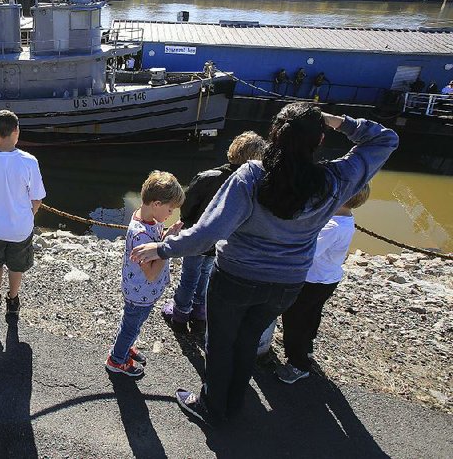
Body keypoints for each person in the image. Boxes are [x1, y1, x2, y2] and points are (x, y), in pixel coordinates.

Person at [131, 103, 398, 426]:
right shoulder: (334, 180)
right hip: (287, 284)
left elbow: (206, 235)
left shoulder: (252, 176)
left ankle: (212, 406)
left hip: (235, 278)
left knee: (220, 342)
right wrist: (336, 121)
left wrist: (162, 248)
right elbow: (385, 139)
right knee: (247, 341)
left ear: (274, 137)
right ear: (319, 141)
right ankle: (235, 400)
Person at [161, 132, 266, 333]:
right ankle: (200, 313)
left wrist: (188, 226)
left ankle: (180, 314)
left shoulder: (207, 178)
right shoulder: (256, 185)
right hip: (223, 242)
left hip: (198, 238)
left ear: (234, 150)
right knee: (207, 276)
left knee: (189, 275)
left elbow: (187, 207)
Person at [276, 184, 371, 384]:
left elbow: (308, 253)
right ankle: (307, 347)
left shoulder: (332, 227)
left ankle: (298, 364)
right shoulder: (345, 219)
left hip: (312, 280)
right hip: (329, 278)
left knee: (294, 320)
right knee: (312, 313)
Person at [106, 171, 185, 377]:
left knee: (132, 323)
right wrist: (167, 247)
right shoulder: (140, 234)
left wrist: (166, 235)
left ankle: (125, 346)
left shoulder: (148, 217)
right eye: (170, 209)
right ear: (157, 204)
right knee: (132, 326)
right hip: (140, 291)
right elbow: (150, 274)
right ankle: (117, 359)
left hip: (140, 290)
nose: (170, 214)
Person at [0, 110, 46, 319]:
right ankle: (13, 300)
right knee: (16, 266)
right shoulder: (29, 161)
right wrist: (27, 216)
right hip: (20, 228)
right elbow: (37, 198)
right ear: (17, 131)